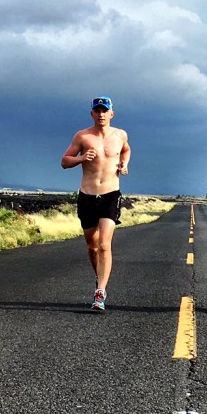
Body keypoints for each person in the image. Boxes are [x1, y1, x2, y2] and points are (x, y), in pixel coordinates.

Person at [60, 96, 131, 312]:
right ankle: (99, 277)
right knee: (92, 247)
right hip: (87, 195)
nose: (101, 114)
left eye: (104, 110)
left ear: (112, 114)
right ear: (92, 114)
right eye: (97, 111)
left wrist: (124, 164)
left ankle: (100, 291)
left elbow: (126, 150)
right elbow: (64, 161)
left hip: (111, 194)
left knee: (104, 244)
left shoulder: (120, 135)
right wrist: (81, 158)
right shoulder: (82, 136)